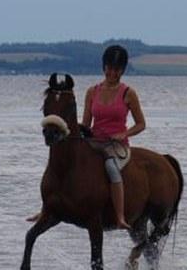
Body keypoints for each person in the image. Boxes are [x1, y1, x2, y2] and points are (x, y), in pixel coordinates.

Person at [28, 45, 146, 229]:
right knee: (64, 162)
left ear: (122, 71)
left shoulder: (128, 93)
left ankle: (120, 216)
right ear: (103, 67)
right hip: (94, 140)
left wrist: (124, 133)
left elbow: (141, 124)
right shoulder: (93, 91)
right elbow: (86, 122)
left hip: (116, 145)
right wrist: (68, 130)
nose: (111, 73)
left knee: (111, 168)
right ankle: (47, 209)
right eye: (109, 68)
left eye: (116, 69)